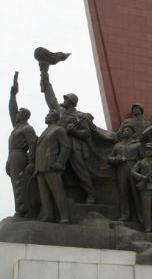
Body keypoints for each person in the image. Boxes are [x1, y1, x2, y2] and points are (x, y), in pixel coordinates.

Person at [40, 71, 97, 203]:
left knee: (80, 170)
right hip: (58, 145)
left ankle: (91, 194)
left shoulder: (80, 116)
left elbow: (87, 133)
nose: (63, 101)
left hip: (73, 146)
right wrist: (46, 80)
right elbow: (51, 99)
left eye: (65, 99)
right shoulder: (60, 113)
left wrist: (74, 131)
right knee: (58, 171)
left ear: (71, 102)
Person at [7, 73, 37, 217]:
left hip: (20, 156)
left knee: (20, 183)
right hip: (12, 156)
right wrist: (13, 95)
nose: (17, 114)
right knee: (15, 184)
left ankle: (25, 210)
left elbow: (33, 145)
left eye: (20, 113)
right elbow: (12, 110)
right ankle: (19, 209)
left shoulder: (27, 128)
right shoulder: (17, 127)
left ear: (24, 116)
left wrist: (31, 162)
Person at [35, 110, 71, 223]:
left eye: (48, 115)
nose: (46, 117)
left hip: (51, 165)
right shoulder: (45, 131)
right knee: (44, 194)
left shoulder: (58, 130)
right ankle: (48, 215)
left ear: (54, 118)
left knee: (58, 192)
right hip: (40, 167)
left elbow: (66, 147)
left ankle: (64, 216)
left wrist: (60, 162)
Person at [107, 124, 141, 221]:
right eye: (124, 130)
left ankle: (141, 215)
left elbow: (143, 158)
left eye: (128, 130)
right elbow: (109, 158)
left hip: (134, 168)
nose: (125, 131)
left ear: (132, 132)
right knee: (123, 192)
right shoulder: (117, 146)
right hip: (121, 169)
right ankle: (125, 214)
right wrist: (115, 159)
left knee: (136, 193)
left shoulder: (137, 144)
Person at [130, 143, 152, 232]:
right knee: (146, 208)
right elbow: (133, 171)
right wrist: (142, 177)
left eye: (151, 149)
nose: (149, 151)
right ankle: (147, 227)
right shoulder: (141, 162)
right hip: (145, 187)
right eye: (147, 149)